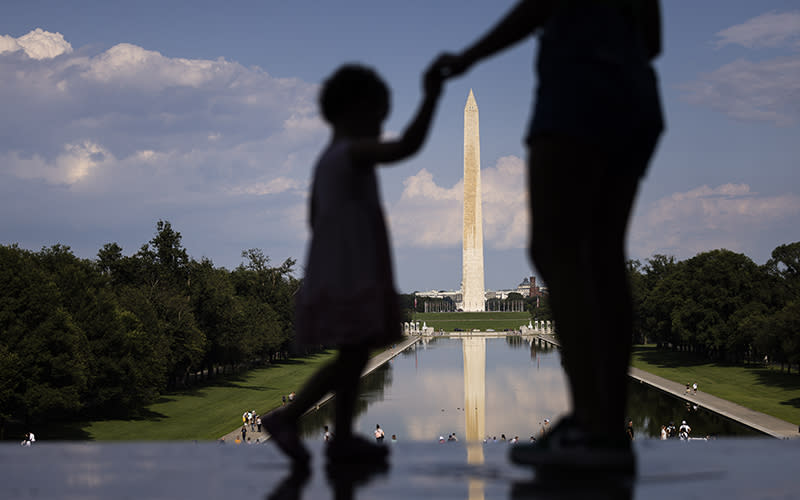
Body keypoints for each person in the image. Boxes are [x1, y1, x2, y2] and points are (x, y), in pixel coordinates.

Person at [433, 0, 663, 475]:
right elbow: (653, 38)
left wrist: (472, 54)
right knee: (603, 256)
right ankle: (606, 425)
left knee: (558, 250)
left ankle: (588, 421)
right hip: (634, 92)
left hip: (576, 95)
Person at [261, 62, 444, 466]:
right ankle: (288, 417)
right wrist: (431, 97)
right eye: (377, 116)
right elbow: (407, 147)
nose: (380, 126)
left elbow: (313, 218)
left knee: (354, 355)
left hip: (336, 267)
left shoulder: (325, 161)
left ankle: (339, 436)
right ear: (352, 113)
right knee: (353, 356)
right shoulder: (352, 151)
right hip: (351, 271)